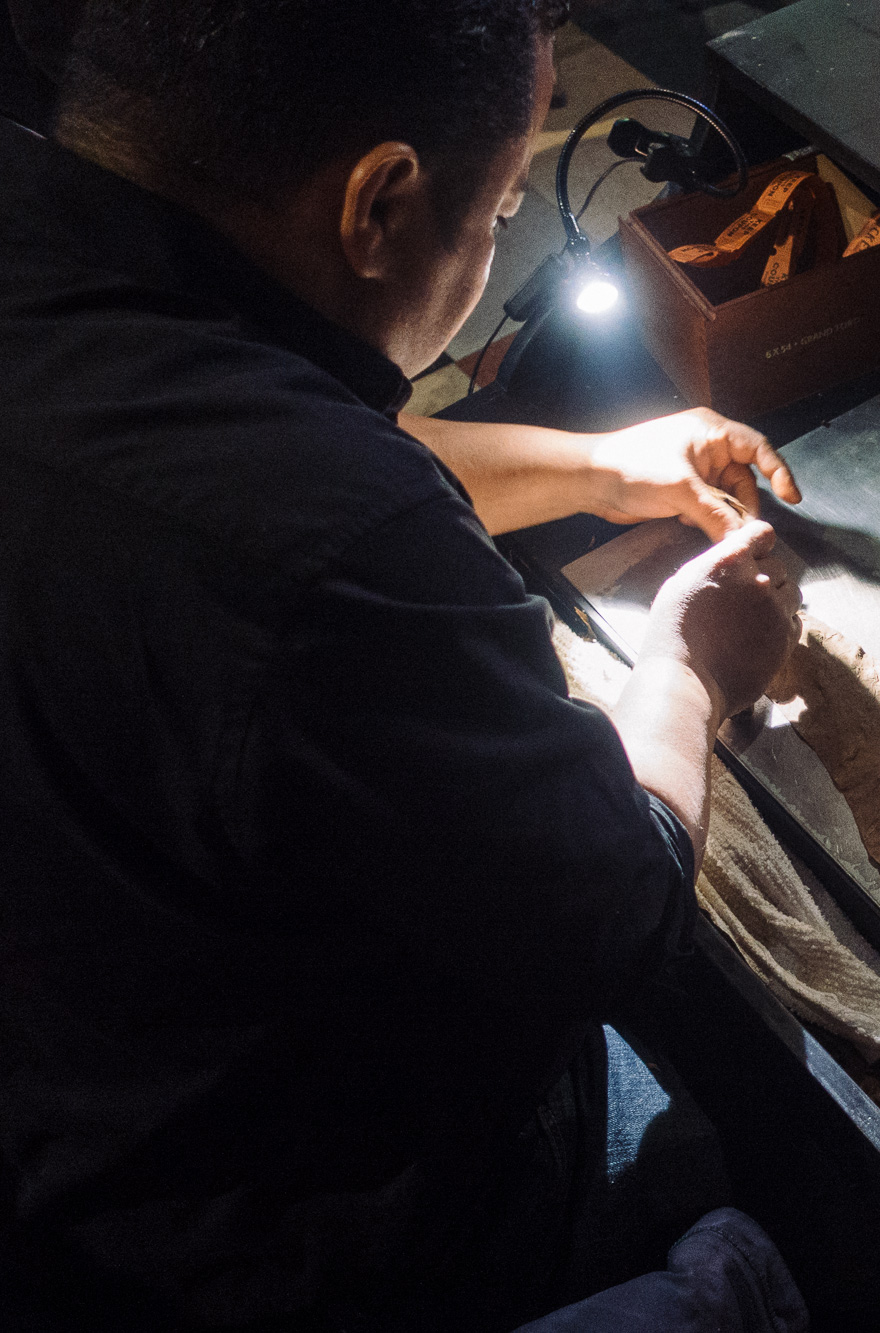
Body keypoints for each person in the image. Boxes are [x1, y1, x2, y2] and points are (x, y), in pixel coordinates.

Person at [0, 1, 827, 1327]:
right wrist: (690, 670)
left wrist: (603, 467)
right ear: (379, 203)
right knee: (780, 1193)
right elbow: (616, 909)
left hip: (62, 1085)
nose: (499, 241)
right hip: (263, 1234)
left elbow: (230, 457)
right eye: (501, 211)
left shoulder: (67, 270)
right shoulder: (334, 554)